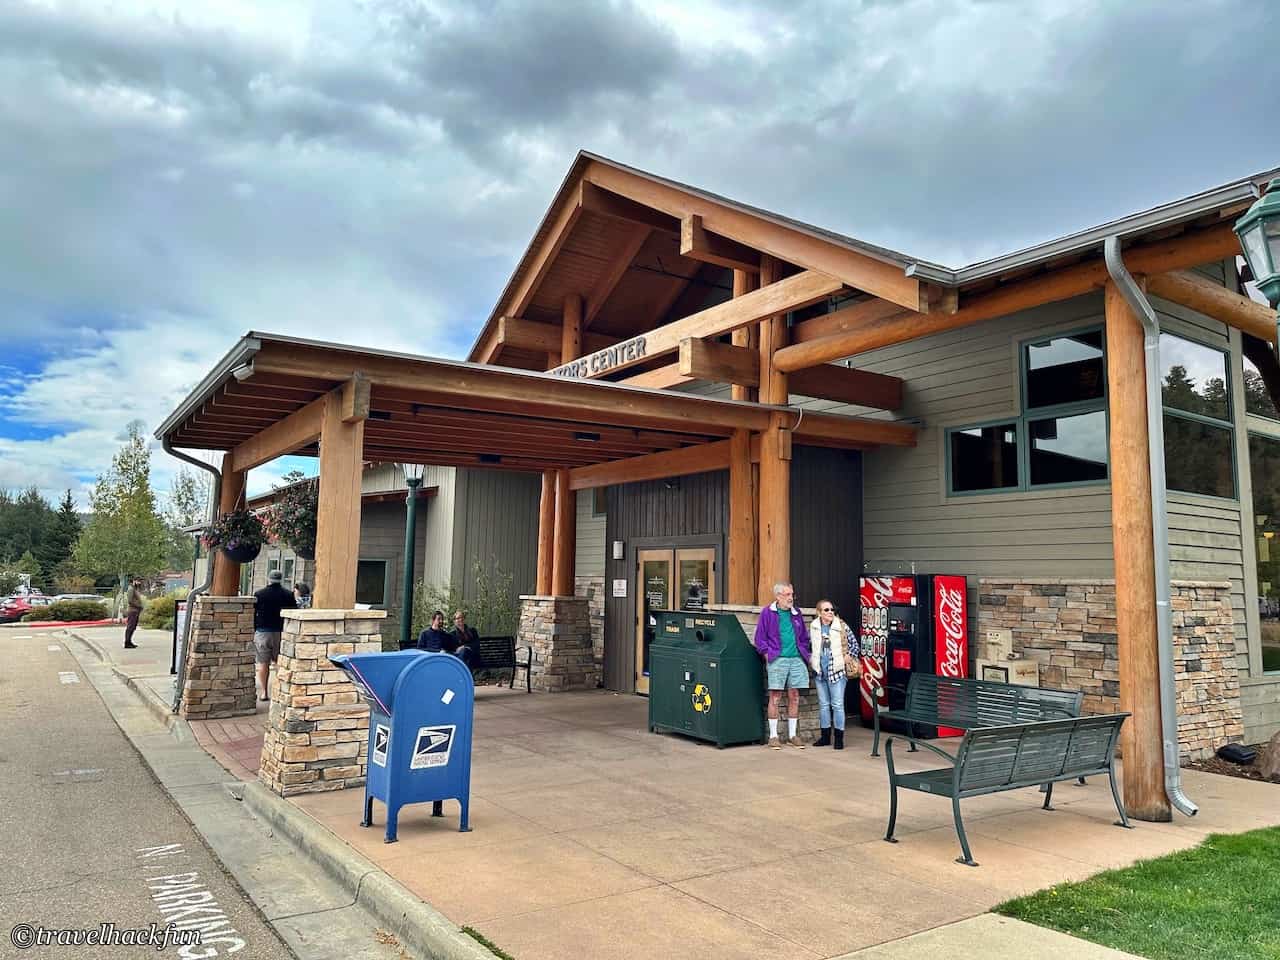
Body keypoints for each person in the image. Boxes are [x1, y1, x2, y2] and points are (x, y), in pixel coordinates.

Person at [753, 581, 811, 749]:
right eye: (787, 595)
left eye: (792, 594)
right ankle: (773, 736)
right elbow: (760, 638)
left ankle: (793, 735)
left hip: (796, 659)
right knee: (775, 697)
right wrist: (767, 654)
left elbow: (803, 637)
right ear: (778, 596)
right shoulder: (767, 613)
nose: (790, 598)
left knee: (795, 696)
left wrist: (803, 653)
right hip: (777, 659)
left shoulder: (796, 613)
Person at [808, 599, 858, 750]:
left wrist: (848, 656)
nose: (830, 612)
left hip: (836, 670)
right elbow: (811, 645)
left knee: (837, 705)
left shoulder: (841, 625)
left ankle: (839, 738)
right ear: (819, 613)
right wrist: (812, 660)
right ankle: (824, 737)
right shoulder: (814, 626)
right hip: (820, 671)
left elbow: (855, 645)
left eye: (832, 610)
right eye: (826, 610)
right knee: (823, 705)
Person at [253, 570, 297, 701]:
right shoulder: (288, 594)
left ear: (269, 579)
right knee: (279, 663)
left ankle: (264, 692)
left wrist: (254, 628)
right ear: (281, 579)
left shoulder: (259, 594)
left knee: (263, 663)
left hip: (262, 632)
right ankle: (278, 692)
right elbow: (294, 611)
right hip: (281, 632)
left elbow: (253, 613)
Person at [123, 578, 145, 649]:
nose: (139, 583)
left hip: (136, 611)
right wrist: (139, 606)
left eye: (140, 581)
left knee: (133, 627)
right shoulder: (131, 589)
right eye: (138, 581)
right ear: (134, 581)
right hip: (133, 611)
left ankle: (129, 641)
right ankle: (127, 642)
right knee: (130, 626)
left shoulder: (135, 589)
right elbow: (130, 600)